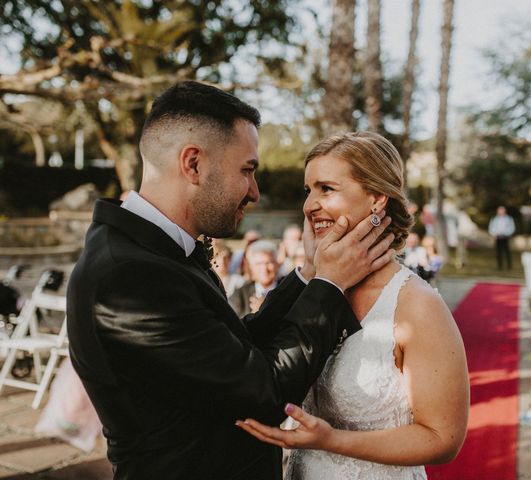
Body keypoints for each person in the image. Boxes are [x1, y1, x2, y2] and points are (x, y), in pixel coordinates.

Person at [66, 81, 396, 480]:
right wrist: (330, 285)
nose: (255, 192)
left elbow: (233, 350)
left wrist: (308, 275)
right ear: (193, 164)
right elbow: (265, 391)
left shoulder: (154, 252)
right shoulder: (128, 276)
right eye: (247, 170)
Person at [236, 131, 469, 479]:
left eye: (326, 189)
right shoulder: (314, 289)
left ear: (376, 199)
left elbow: (442, 438)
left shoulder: (416, 304)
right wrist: (312, 268)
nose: (309, 205)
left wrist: (331, 440)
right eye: (308, 190)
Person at [230, 240, 280, 316]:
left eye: (268, 263)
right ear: (251, 267)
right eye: (258, 264)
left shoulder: (288, 289)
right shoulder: (239, 294)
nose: (264, 269)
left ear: (277, 264)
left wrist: (266, 310)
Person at [488, 205, 515, 270]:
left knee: (507, 252)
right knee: (498, 252)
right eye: (500, 210)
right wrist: (495, 234)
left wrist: (506, 233)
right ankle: (500, 266)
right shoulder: (494, 219)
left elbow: (512, 228)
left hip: (505, 237)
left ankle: (509, 266)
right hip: (498, 237)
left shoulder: (509, 218)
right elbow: (491, 228)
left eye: (502, 210)